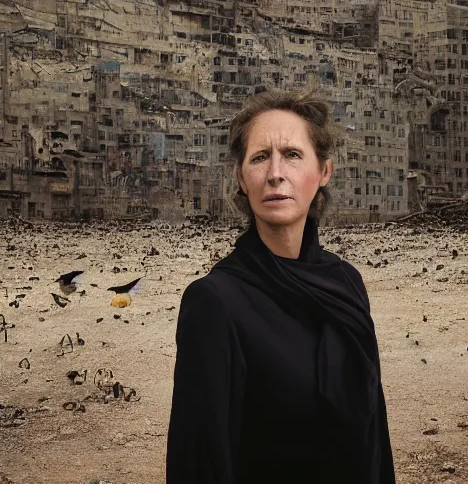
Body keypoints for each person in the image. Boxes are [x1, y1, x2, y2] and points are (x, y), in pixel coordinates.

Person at [166, 89, 395, 484]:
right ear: (241, 178)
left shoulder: (347, 282)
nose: (275, 173)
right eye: (259, 158)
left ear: (323, 171)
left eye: (291, 154)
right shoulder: (215, 303)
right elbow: (199, 458)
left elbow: (375, 432)